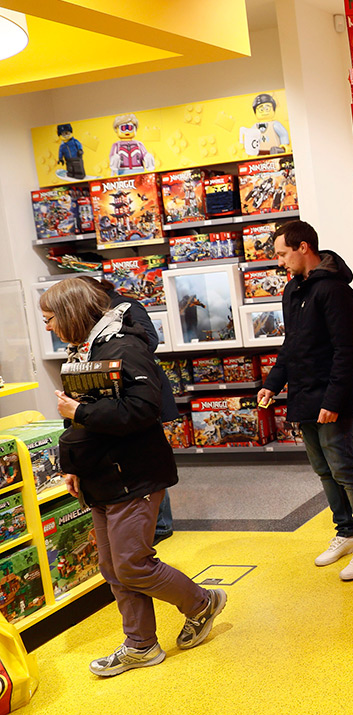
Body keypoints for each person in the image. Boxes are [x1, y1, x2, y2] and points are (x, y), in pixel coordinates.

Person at [45, 278, 225, 677]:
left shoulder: (125, 347)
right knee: (113, 568)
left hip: (133, 475)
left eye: (50, 317)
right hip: (100, 475)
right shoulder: (82, 353)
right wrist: (71, 463)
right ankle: (140, 644)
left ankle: (201, 603)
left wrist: (80, 414)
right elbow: (80, 416)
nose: (47, 326)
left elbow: (141, 411)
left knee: (132, 565)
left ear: (72, 313)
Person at [258, 220, 353, 581]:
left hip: (331, 396)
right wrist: (273, 383)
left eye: (283, 254)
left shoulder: (335, 291)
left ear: (303, 247)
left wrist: (334, 399)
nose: (280, 262)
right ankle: (344, 531)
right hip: (303, 393)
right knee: (323, 470)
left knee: (344, 468)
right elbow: (292, 345)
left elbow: (347, 351)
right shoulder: (293, 290)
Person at [94, 278, 177, 544]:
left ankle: (161, 524)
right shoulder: (99, 316)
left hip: (140, 391)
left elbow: (149, 340)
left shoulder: (127, 306)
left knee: (150, 457)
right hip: (122, 396)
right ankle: (153, 523)